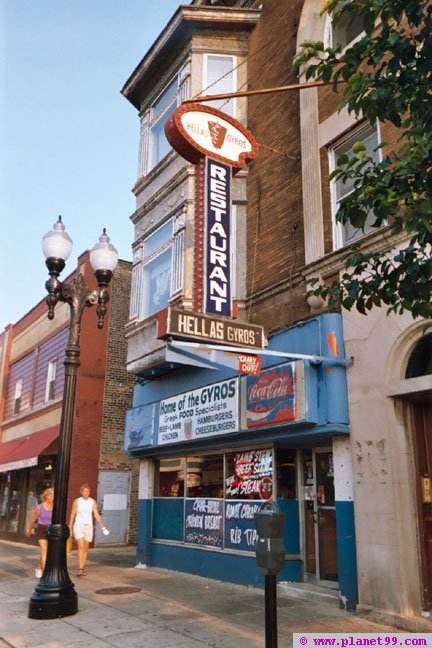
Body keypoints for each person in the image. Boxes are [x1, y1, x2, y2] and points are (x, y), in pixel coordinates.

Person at [69, 483, 107, 577]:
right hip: (79, 525)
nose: (86, 493)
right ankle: (80, 569)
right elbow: (73, 514)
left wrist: (102, 525)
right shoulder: (77, 501)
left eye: (88, 491)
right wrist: (70, 527)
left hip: (88, 526)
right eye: (85, 491)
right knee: (81, 546)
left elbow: (96, 514)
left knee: (85, 548)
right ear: (81, 492)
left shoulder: (92, 502)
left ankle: (82, 567)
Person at [25, 487, 54, 578]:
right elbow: (33, 520)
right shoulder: (40, 507)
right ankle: (46, 573)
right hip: (42, 529)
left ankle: (39, 567)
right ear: (46, 496)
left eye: (53, 496)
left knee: (47, 551)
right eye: (50, 495)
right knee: (44, 550)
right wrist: (29, 529)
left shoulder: (55, 506)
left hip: (51, 530)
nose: (52, 497)